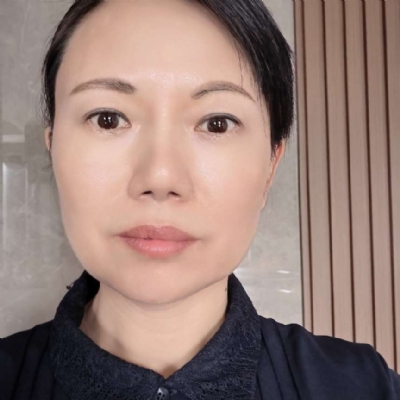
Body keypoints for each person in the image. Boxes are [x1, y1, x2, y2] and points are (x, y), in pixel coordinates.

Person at [1, 0, 399, 399]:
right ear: (52, 149)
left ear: (270, 167)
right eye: (108, 118)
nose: (160, 177)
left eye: (216, 123)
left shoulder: (365, 387)